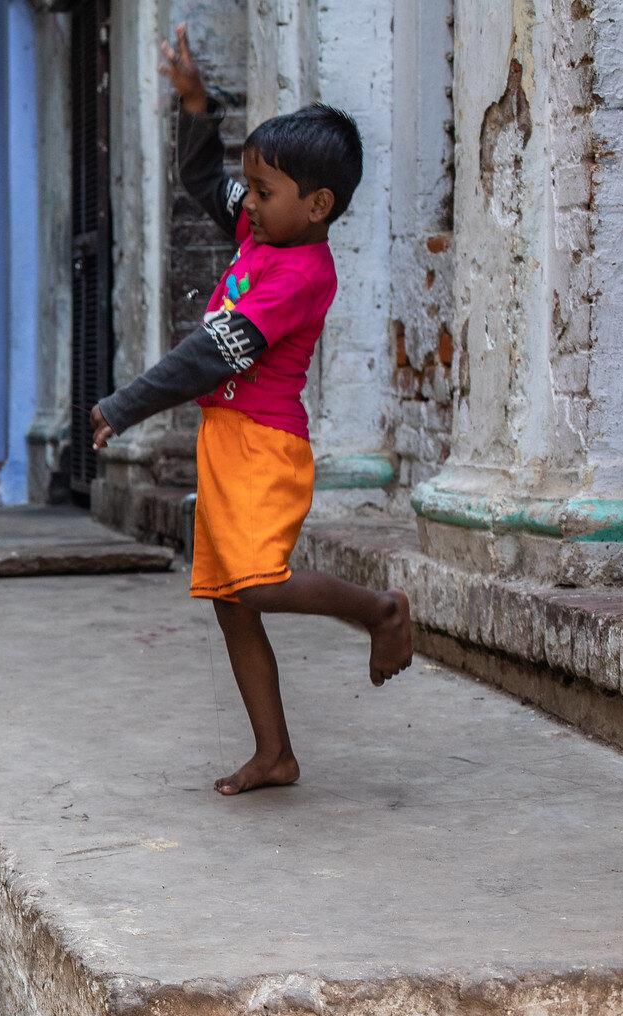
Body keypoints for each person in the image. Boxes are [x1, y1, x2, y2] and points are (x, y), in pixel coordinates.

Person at [91, 25, 411, 797]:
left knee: (260, 584)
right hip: (226, 438)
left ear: (318, 204)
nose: (252, 204)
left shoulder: (299, 274)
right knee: (233, 604)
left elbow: (210, 353)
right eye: (255, 189)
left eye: (266, 193)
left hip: (265, 445)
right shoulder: (263, 227)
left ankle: (378, 609)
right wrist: (197, 105)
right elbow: (204, 180)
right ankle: (275, 753)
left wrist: (125, 405)